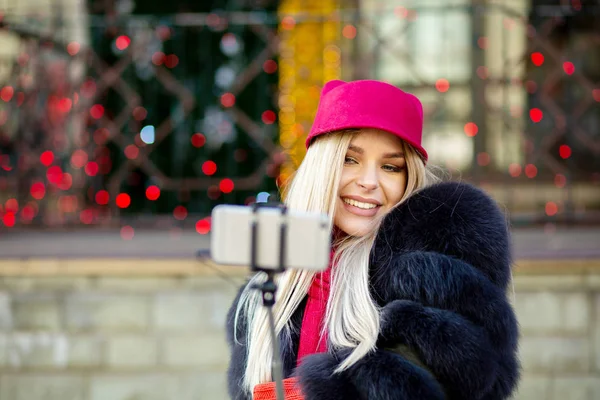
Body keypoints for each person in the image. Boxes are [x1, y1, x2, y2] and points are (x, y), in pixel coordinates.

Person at [226, 79, 520, 400]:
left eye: (390, 167)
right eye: (350, 159)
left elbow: (467, 378)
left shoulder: (428, 273)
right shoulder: (270, 292)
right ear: (322, 167)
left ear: (408, 178)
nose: (368, 182)